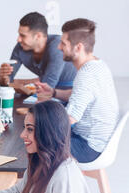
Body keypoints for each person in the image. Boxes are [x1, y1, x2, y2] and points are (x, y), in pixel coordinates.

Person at [35, 18, 119, 163]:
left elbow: (68, 119)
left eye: (64, 43)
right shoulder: (98, 64)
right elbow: (77, 95)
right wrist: (53, 93)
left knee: (35, 138)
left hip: (87, 148)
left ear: (78, 47)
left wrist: (38, 121)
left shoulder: (86, 75)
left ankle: (35, 184)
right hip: (97, 142)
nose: (59, 47)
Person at [0, 12, 77, 94]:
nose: (18, 39)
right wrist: (3, 78)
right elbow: (7, 82)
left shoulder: (57, 46)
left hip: (71, 91)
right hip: (45, 89)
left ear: (38, 36)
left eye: (23, 35)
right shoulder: (21, 46)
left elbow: (47, 87)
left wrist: (17, 83)